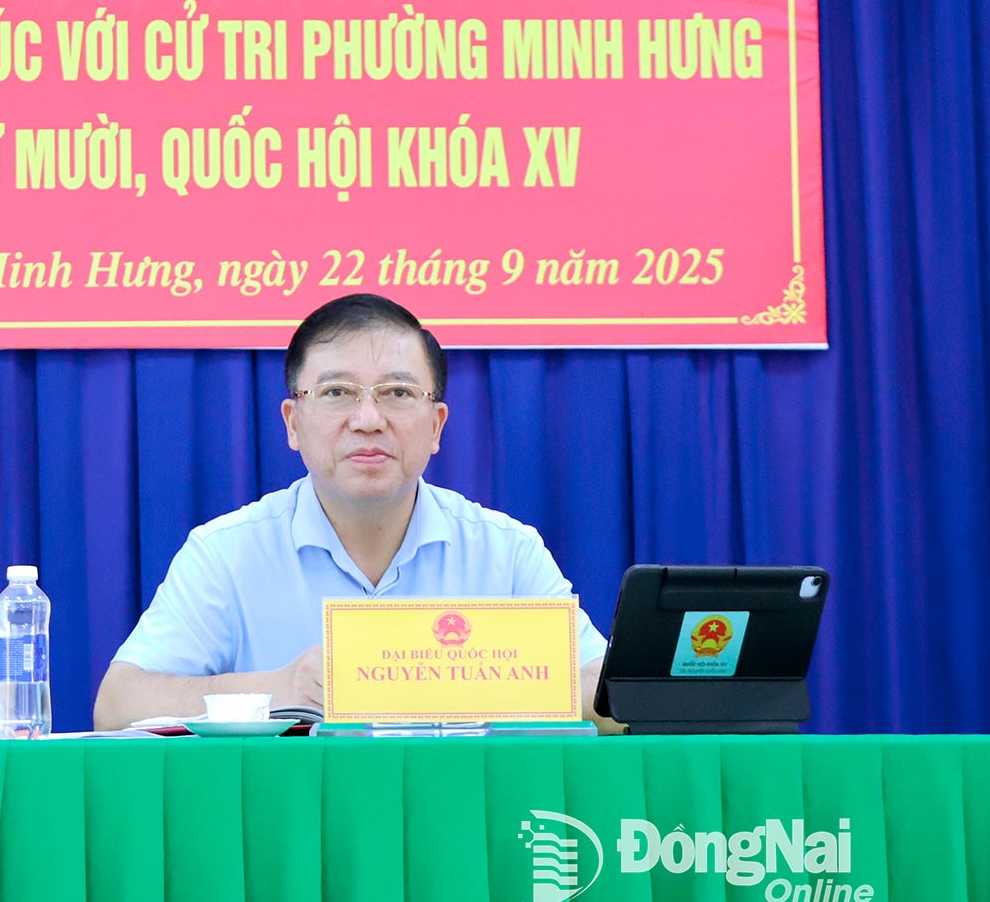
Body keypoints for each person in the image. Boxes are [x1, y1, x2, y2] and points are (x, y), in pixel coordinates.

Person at [93, 293, 618, 731]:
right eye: (337, 392)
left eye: (397, 392)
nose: (368, 419)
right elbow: (116, 706)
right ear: (292, 423)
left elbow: (610, 696)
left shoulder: (504, 551)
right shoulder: (227, 552)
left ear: (436, 426)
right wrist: (278, 690)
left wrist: (483, 685)